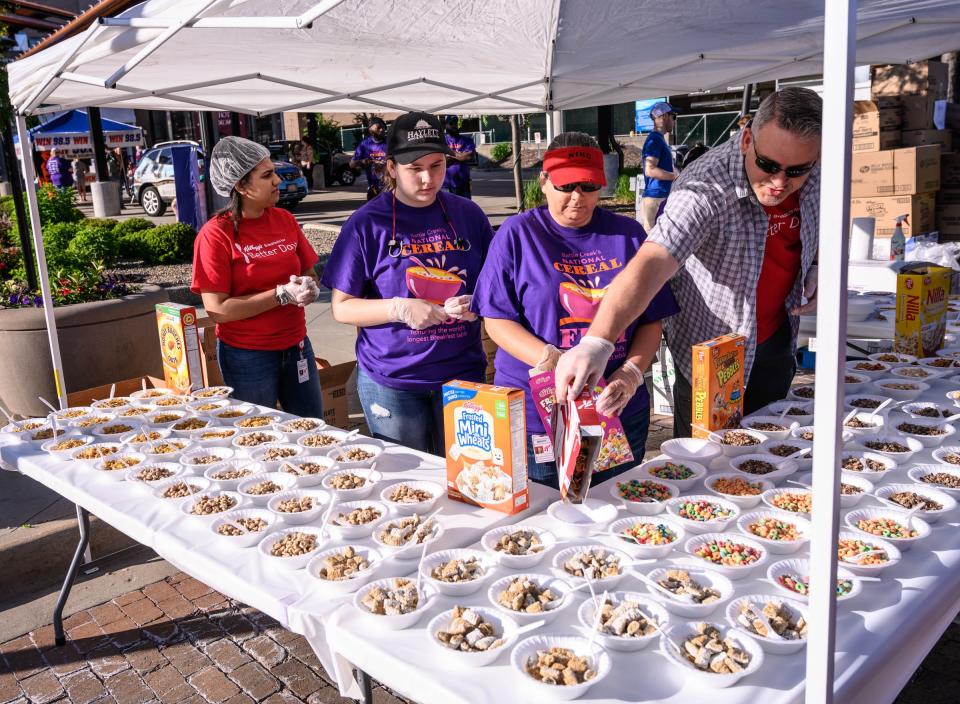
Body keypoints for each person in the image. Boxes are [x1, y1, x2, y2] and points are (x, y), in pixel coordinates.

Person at [555, 87, 822, 438]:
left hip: (776, 340)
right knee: (708, 467)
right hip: (713, 360)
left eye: (797, 171)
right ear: (746, 141)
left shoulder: (820, 168)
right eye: (768, 165)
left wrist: (817, 264)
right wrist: (598, 342)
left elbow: (829, 214)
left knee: (773, 455)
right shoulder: (704, 186)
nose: (779, 182)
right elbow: (652, 261)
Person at [473, 132, 679, 489]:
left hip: (616, 407)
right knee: (545, 511)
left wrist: (630, 373)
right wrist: (552, 357)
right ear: (544, 181)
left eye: (588, 186)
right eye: (566, 186)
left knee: (616, 507)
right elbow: (496, 319)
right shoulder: (517, 234)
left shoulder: (628, 235)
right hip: (541, 410)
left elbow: (650, 319)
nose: (577, 198)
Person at [322, 112, 493, 455]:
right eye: (415, 168)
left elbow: (495, 286)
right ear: (390, 168)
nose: (428, 178)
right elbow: (342, 308)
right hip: (393, 382)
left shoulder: (469, 215)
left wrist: (478, 304)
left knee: (469, 481)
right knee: (410, 486)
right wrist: (397, 308)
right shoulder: (365, 224)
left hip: (462, 375)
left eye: (437, 165)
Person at [191, 136, 323, 417]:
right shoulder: (215, 235)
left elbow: (308, 272)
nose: (277, 180)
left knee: (314, 429)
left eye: (273, 172)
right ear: (240, 185)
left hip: (297, 345)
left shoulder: (284, 219)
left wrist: (308, 286)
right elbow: (217, 310)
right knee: (259, 436)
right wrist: (280, 295)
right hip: (248, 355)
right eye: (266, 175)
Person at [639, 101, 676, 232]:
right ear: (665, 116)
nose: (674, 121)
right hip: (655, 199)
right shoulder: (654, 140)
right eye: (673, 116)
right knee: (653, 243)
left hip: (658, 197)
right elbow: (650, 169)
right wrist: (675, 176)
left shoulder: (658, 139)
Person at [350, 117, 388, 200]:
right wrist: (362, 162)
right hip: (373, 189)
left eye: (383, 127)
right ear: (371, 130)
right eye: (378, 128)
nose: (382, 130)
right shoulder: (364, 145)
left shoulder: (389, 142)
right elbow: (352, 164)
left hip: (390, 187)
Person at [443, 115, 476, 198]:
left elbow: (468, 156)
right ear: (446, 125)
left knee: (465, 208)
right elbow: (442, 159)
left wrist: (449, 154)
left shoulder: (467, 140)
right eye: (451, 123)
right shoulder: (441, 141)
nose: (454, 126)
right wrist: (459, 155)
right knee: (447, 209)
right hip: (445, 184)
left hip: (463, 183)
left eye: (455, 123)